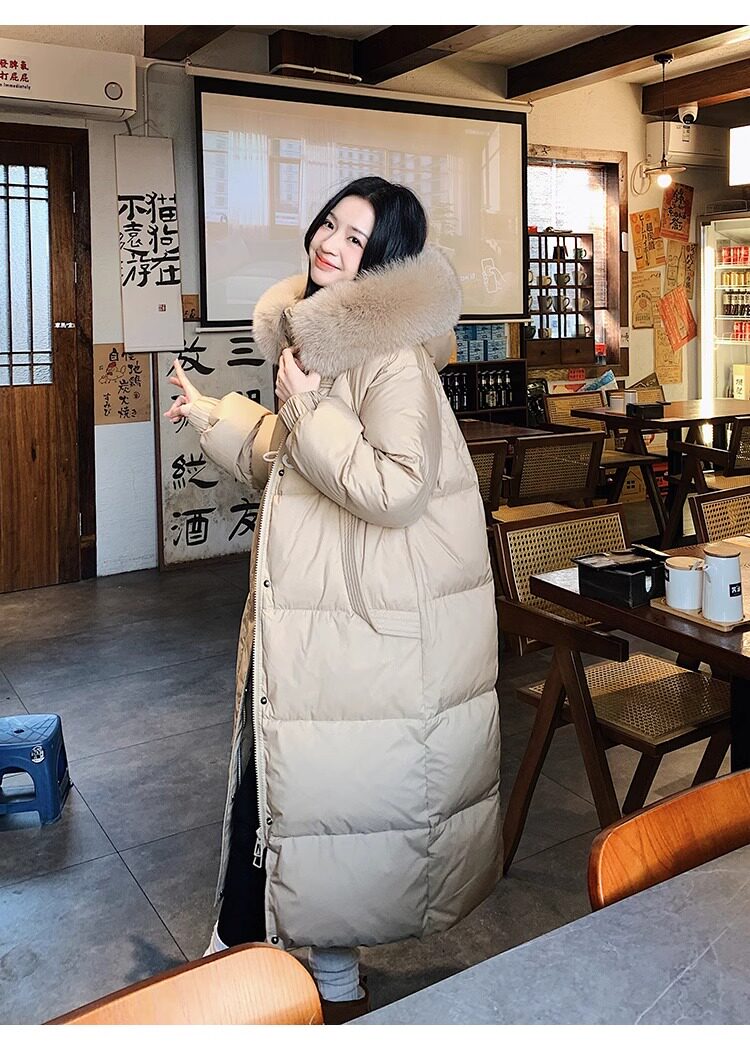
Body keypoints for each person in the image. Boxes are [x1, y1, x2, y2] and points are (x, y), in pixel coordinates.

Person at [165, 176, 501, 1022]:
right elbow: (292, 459)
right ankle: (320, 979)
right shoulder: (322, 344)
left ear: (383, 263)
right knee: (302, 793)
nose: (331, 242)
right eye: (330, 223)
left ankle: (239, 962)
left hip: (353, 626)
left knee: (297, 789)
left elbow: (396, 487)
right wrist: (211, 414)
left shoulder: (390, 357)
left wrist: (309, 405)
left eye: (356, 237)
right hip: (316, 619)